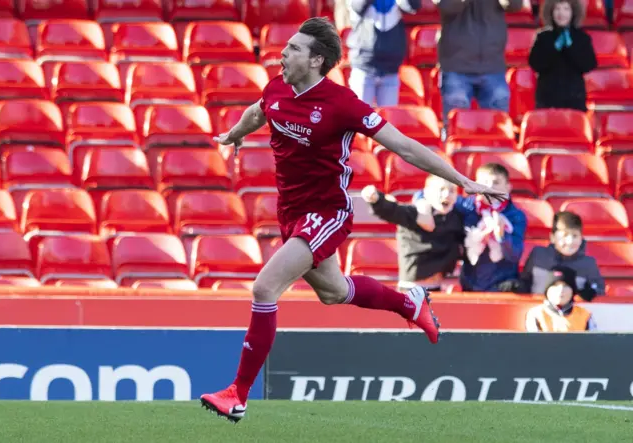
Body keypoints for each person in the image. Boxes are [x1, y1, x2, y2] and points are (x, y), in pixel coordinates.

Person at [199, 17, 506, 423]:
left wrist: (464, 180)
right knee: (332, 292)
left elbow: (406, 148)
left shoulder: (342, 103)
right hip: (290, 212)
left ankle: (238, 394)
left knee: (265, 287)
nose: (282, 54)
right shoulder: (277, 88)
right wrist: (236, 134)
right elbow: (259, 112)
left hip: (327, 212)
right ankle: (408, 302)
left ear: (316, 60)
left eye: (293, 49)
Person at [415, 163, 526, 292]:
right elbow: (425, 193)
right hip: (470, 285)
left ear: (508, 187)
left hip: (503, 286)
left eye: (496, 182)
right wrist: (422, 203)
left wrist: (501, 235)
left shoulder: (516, 216)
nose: (489, 187)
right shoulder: (467, 206)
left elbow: (515, 255)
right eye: (483, 182)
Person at [361, 176, 463, 292]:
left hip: (437, 288)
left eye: (452, 191)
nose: (446, 195)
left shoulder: (454, 218)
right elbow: (393, 210)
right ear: (427, 192)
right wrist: (376, 200)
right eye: (441, 189)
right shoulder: (415, 213)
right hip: (411, 289)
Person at [436, 0, 522, 130]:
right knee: (456, 127)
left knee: (498, 128)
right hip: (456, 67)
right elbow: (447, 6)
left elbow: (515, 5)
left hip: (493, 66)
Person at [346, 0, 420, 106]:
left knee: (387, 119)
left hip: (391, 67)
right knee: (360, 119)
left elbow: (414, 6)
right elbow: (358, 6)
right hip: (364, 65)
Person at [528, 0, 597, 112]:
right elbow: (535, 64)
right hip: (547, 99)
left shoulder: (582, 37)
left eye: (566, 9)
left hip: (574, 98)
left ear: (573, 12)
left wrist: (571, 47)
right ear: (551, 11)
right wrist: (555, 47)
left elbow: (589, 64)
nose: (561, 13)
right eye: (557, 9)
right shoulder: (542, 36)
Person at [519, 211, 604, 300]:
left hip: (571, 312)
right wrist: (517, 286)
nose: (570, 241)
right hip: (537, 309)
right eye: (565, 235)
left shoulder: (588, 264)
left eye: (575, 236)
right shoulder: (538, 255)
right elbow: (526, 280)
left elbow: (599, 289)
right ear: (552, 237)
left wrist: (590, 292)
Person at [525, 265, 597, 332]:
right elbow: (534, 343)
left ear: (573, 291)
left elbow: (593, 342)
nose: (561, 290)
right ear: (547, 291)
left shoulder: (585, 315)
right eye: (555, 286)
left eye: (565, 286)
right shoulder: (536, 313)